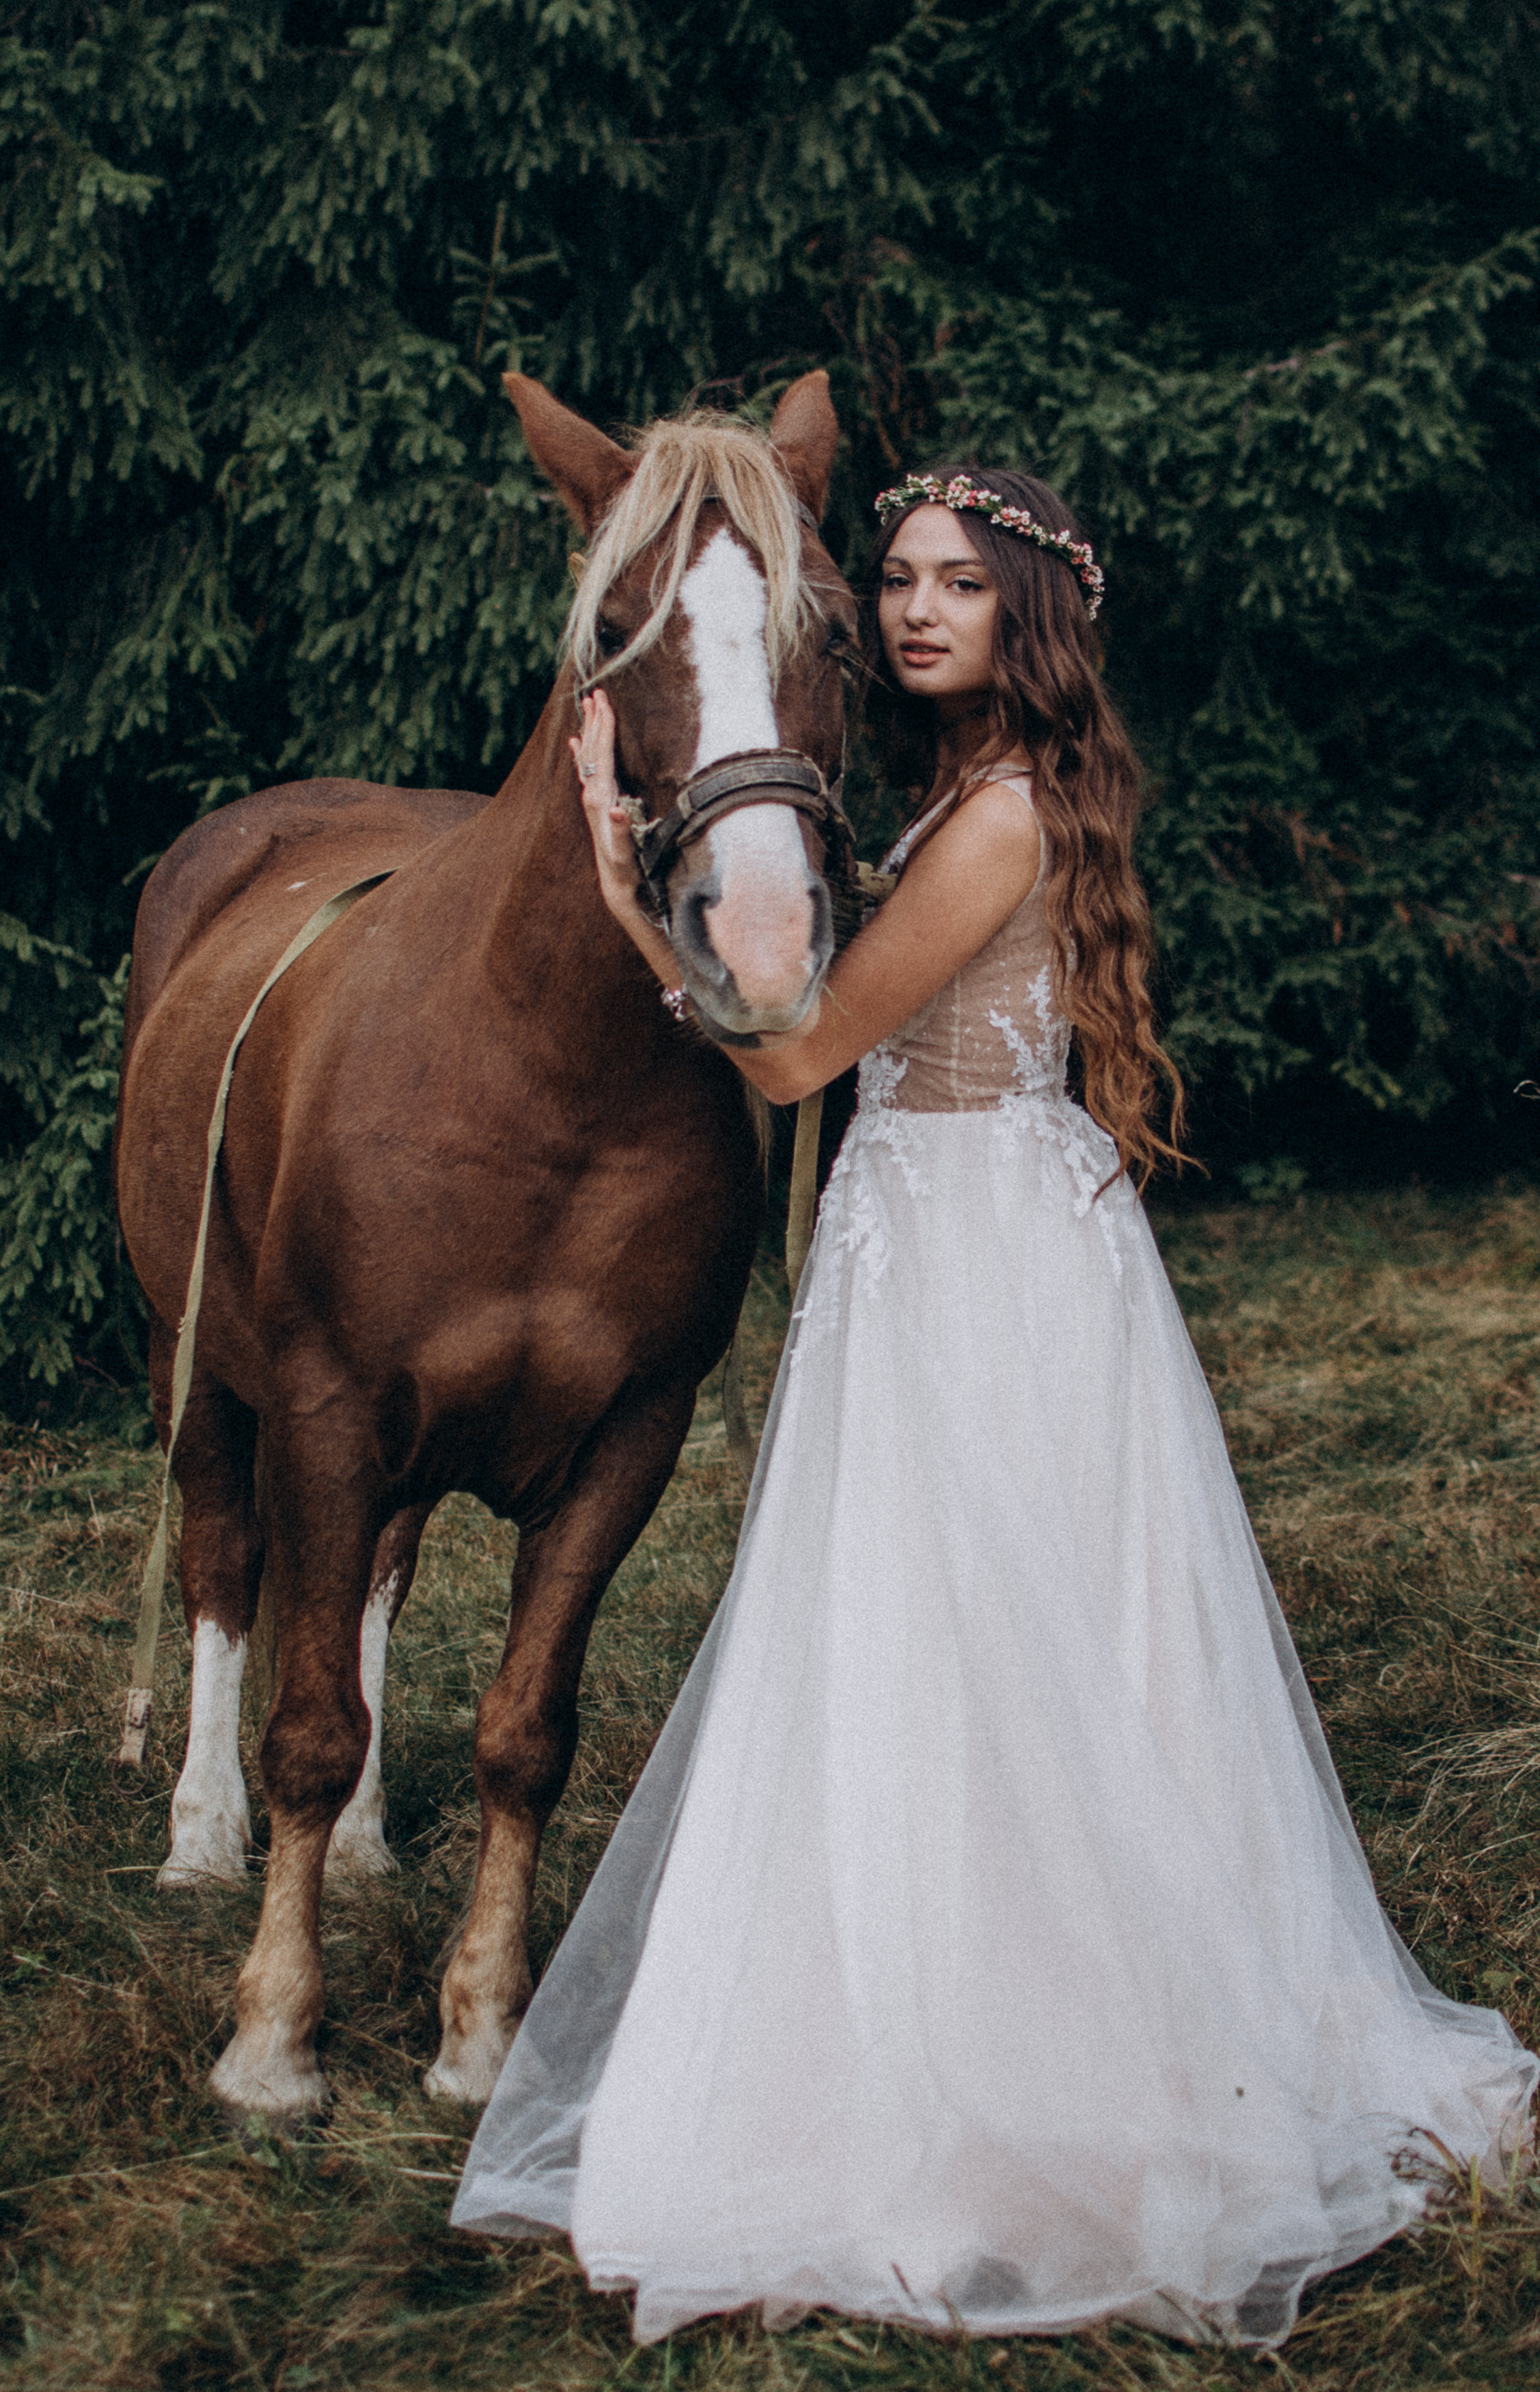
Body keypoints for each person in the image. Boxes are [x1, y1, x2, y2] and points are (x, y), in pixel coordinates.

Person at [451, 466, 1535, 2346]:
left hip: (972, 1258)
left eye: (959, 582)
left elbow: (796, 1057)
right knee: (940, 1637)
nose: (913, 608)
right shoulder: (962, 796)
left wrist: (633, 903)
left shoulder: (1001, 817)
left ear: (1028, 613)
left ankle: (1028, 2066)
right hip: (954, 1234)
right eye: (895, 578)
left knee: (977, 1637)